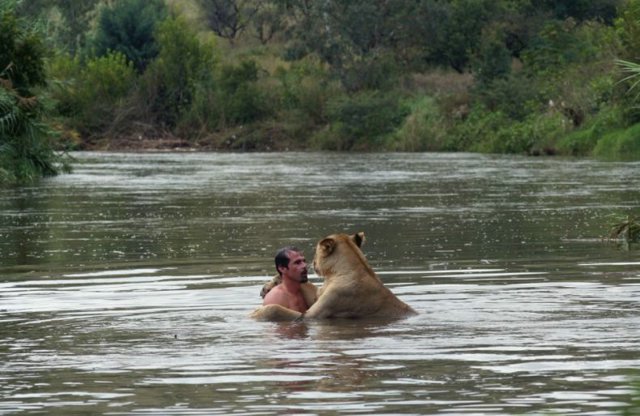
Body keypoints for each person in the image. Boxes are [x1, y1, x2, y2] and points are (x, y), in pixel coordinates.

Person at [262, 247, 309, 313]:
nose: (304, 265)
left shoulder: (309, 292)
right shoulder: (275, 298)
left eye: (304, 261)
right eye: (297, 263)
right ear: (282, 268)